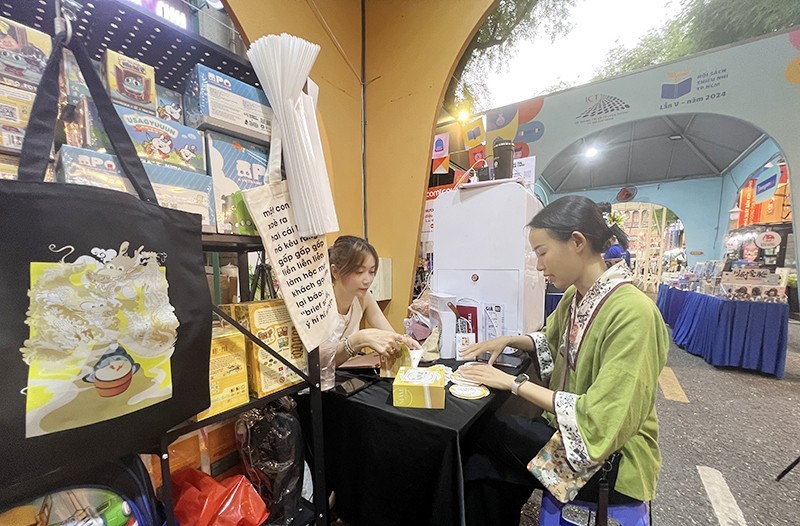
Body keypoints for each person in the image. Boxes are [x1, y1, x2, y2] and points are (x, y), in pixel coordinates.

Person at [458, 195, 668, 525]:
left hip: (607, 462)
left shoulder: (634, 314)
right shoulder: (576, 295)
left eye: (542, 252)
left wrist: (513, 383)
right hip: (569, 438)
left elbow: (599, 422)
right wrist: (509, 339)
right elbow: (550, 341)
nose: (539, 265)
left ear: (577, 242)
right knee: (484, 460)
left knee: (482, 440)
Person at [327, 235, 419, 366]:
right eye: (359, 272)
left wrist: (403, 341)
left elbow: (388, 333)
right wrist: (359, 339)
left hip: (347, 376)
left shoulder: (364, 297)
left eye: (371, 271)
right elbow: (322, 363)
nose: (367, 280)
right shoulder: (322, 304)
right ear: (335, 271)